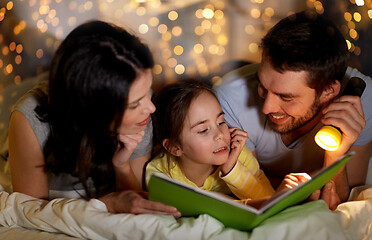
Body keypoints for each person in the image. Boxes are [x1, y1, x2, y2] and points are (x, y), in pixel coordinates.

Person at [7, 20, 180, 216]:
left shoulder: (140, 107)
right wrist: (105, 205)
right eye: (134, 104)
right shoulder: (30, 120)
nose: (151, 107)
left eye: (147, 92)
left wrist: (122, 166)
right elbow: (29, 213)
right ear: (94, 110)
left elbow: (136, 201)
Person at [215, 10, 372, 206]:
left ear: (329, 91)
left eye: (285, 97)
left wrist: (336, 155)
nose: (267, 107)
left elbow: (347, 199)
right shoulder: (229, 100)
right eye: (262, 86)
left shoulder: (360, 99)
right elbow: (245, 191)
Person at [146, 80, 310, 201]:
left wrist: (232, 169)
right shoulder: (159, 175)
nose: (220, 135)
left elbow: (267, 199)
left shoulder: (238, 153)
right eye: (203, 130)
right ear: (174, 148)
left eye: (221, 122)